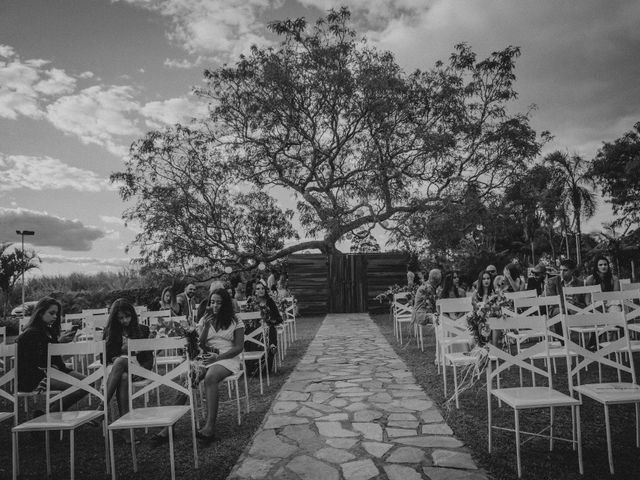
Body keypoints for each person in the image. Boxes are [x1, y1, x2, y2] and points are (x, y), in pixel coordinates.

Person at [17, 297, 87, 412]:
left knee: (88, 382)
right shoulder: (30, 333)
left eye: (56, 314)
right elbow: (36, 361)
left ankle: (51, 411)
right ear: (40, 313)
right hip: (35, 377)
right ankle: (51, 413)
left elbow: (56, 360)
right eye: (52, 313)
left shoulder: (49, 331)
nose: (55, 316)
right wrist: (59, 343)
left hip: (53, 371)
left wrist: (60, 344)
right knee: (79, 386)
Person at [99, 299, 153, 423]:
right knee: (122, 374)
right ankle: (126, 429)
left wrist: (142, 371)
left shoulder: (143, 330)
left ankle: (101, 408)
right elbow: (103, 358)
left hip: (136, 367)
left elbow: (149, 358)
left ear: (132, 315)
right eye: (120, 318)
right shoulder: (110, 332)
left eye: (127, 316)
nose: (125, 320)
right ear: (115, 318)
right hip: (115, 370)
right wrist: (113, 358)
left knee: (120, 361)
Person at [545, 259, 586, 338]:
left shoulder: (580, 283)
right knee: (561, 312)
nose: (562, 273)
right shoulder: (552, 281)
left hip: (575, 308)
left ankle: (586, 343)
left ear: (572, 271)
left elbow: (582, 300)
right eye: (560, 270)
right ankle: (563, 340)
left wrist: (575, 305)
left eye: (565, 270)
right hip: (558, 307)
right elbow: (553, 300)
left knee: (587, 312)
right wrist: (567, 306)